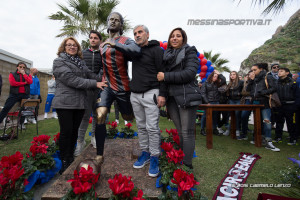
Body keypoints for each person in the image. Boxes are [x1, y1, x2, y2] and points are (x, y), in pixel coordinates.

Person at [52, 36, 107, 173]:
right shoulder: (59, 62)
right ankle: (65, 160)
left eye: (74, 45)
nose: (72, 47)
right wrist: (96, 84)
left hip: (79, 103)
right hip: (65, 103)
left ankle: (70, 157)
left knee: (74, 132)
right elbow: (73, 80)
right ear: (64, 48)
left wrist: (106, 79)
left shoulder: (80, 62)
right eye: (69, 45)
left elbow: (90, 74)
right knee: (66, 132)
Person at [94, 12, 141, 165]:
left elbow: (136, 51)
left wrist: (116, 45)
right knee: (100, 115)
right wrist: (99, 81)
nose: (113, 22)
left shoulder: (126, 40)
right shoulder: (101, 44)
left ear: (121, 25)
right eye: (111, 19)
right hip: (107, 86)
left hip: (123, 86)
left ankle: (142, 145)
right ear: (107, 22)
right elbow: (102, 66)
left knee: (128, 117)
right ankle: (99, 154)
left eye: (117, 20)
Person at [119, 24, 166, 177]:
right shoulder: (136, 52)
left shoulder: (157, 50)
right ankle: (145, 153)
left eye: (140, 32)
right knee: (140, 126)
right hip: (135, 95)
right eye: (135, 33)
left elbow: (162, 72)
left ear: (147, 34)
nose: (137, 35)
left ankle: (154, 157)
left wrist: (162, 94)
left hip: (151, 93)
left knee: (152, 127)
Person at [157, 27, 202, 169]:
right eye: (172, 36)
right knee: (180, 130)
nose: (175, 38)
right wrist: (162, 94)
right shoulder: (166, 55)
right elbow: (162, 79)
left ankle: (187, 166)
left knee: (187, 132)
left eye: (178, 36)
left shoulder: (190, 51)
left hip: (186, 96)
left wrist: (166, 76)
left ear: (183, 39)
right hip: (171, 98)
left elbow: (189, 73)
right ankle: (181, 160)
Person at [74, 30, 103, 156]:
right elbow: (81, 68)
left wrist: (98, 78)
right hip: (86, 89)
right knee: (85, 117)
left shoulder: (103, 53)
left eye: (95, 38)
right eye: (91, 37)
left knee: (97, 116)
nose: (93, 40)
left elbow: (104, 67)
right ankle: (80, 142)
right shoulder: (83, 53)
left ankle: (94, 138)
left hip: (100, 89)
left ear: (99, 40)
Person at [246, 63, 280, 152]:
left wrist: (263, 92)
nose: (253, 72)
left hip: (264, 103)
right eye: (252, 70)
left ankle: (268, 141)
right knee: (257, 122)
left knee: (267, 122)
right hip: (255, 103)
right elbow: (248, 90)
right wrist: (251, 80)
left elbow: (274, 88)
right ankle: (257, 138)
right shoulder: (254, 79)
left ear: (260, 69)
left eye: (254, 70)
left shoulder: (267, 77)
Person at [0, 62, 33, 128]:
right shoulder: (12, 74)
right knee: (6, 107)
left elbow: (30, 82)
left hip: (25, 94)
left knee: (23, 110)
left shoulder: (27, 74)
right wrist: (24, 83)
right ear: (17, 67)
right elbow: (13, 83)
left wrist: (24, 74)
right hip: (14, 94)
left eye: (23, 67)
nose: (22, 68)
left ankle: (21, 124)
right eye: (20, 67)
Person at [273, 67, 297, 145]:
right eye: (279, 71)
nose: (279, 72)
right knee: (279, 121)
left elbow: (297, 94)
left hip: (290, 104)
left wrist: (296, 105)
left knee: (291, 122)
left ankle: (293, 138)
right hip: (279, 104)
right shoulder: (276, 82)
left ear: (287, 73)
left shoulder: (292, 82)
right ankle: (278, 137)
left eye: (281, 71)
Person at [200, 70, 226, 136]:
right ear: (211, 76)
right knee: (205, 116)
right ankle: (202, 129)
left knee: (215, 116)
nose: (215, 78)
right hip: (209, 102)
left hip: (216, 101)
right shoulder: (205, 83)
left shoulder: (217, 83)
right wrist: (207, 102)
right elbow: (203, 93)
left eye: (217, 77)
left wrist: (219, 73)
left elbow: (224, 80)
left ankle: (214, 129)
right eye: (214, 76)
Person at [226, 71, 243, 136]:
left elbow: (243, 91)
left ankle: (237, 129)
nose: (232, 76)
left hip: (238, 100)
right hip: (231, 100)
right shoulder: (230, 83)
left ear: (236, 75)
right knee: (231, 115)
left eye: (234, 74)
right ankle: (229, 129)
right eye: (231, 75)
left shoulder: (241, 82)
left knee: (237, 114)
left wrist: (239, 94)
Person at [239, 70, 254, 140]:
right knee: (244, 116)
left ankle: (257, 135)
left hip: (255, 100)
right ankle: (244, 133)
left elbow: (255, 92)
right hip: (246, 100)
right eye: (249, 75)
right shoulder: (245, 82)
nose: (249, 76)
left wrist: (248, 93)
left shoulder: (257, 82)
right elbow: (243, 92)